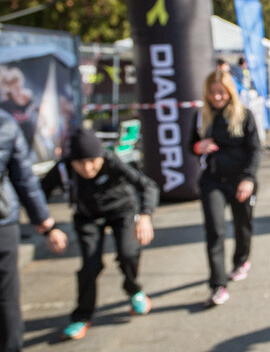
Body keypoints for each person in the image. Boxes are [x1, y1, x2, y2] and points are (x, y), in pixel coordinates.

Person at [40, 127, 159, 340]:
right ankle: (81, 316)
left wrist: (145, 216)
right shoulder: (63, 168)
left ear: (100, 156)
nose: (87, 168)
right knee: (90, 265)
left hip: (121, 211)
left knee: (128, 253)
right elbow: (37, 196)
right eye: (80, 163)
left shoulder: (111, 161)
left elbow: (148, 185)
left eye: (92, 161)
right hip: (87, 216)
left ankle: (133, 289)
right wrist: (50, 228)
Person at [191, 70, 261, 308]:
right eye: (212, 92)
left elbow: (255, 149)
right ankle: (218, 285)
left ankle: (241, 260)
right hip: (212, 181)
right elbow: (191, 144)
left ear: (230, 92)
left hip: (241, 180)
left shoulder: (244, 115)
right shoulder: (201, 117)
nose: (217, 97)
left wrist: (248, 178)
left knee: (243, 225)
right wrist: (198, 147)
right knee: (215, 231)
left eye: (221, 92)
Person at [1, 108, 67, 352]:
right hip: (3, 223)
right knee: (6, 298)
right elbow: (24, 179)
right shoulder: (5, 123)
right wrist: (46, 223)